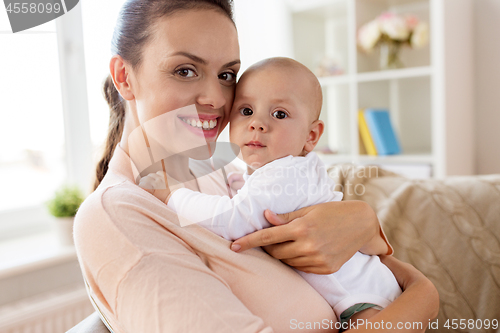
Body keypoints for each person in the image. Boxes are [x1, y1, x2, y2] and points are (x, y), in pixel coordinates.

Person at [73, 0, 439, 332]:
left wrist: (363, 220)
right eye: (185, 71)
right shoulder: (119, 215)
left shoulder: (223, 175)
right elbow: (415, 293)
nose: (216, 98)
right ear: (124, 76)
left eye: (227, 75)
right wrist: (424, 297)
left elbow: (371, 271)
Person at [139, 57, 404, 326]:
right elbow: (266, 201)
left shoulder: (285, 173)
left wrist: (171, 197)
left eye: (279, 114)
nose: (257, 123)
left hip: (364, 298)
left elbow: (234, 219)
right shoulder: (289, 168)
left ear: (311, 136)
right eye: (245, 111)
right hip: (367, 287)